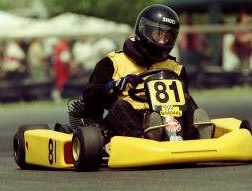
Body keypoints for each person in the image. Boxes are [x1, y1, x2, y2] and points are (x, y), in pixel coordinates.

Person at [81, 4, 199, 140]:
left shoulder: (175, 68)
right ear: (144, 30)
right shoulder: (112, 62)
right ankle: (142, 137)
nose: (163, 41)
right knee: (119, 105)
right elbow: (90, 97)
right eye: (158, 34)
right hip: (127, 120)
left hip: (168, 118)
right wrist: (114, 86)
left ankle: (196, 131)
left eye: (168, 36)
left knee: (186, 98)